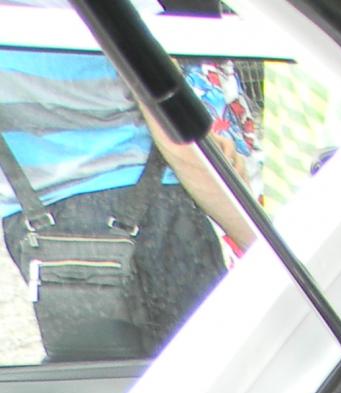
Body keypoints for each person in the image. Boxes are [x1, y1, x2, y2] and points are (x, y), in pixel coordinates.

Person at [0, 3, 254, 359]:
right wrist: (267, 247)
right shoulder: (106, 10)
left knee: (107, 383)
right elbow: (179, 142)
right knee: (208, 370)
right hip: (152, 218)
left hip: (38, 225)